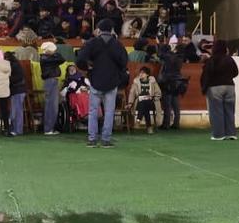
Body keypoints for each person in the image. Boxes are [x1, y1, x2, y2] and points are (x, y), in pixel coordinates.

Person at [75, 18, 128, 148]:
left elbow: (80, 59)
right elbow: (124, 62)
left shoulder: (92, 43)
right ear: (111, 30)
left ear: (99, 29)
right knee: (109, 111)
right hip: (111, 81)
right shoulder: (117, 44)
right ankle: (106, 140)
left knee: (93, 111)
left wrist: (88, 67)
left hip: (96, 80)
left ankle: (92, 139)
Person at [201, 40, 238, 140]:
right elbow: (236, 72)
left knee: (216, 111)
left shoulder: (212, 59)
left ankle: (218, 134)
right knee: (229, 110)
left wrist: (204, 88)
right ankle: (231, 133)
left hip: (215, 87)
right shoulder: (230, 59)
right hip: (230, 86)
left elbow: (207, 74)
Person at [157, 44, 184, 130]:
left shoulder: (166, 57)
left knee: (167, 104)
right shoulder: (177, 57)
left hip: (168, 82)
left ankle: (166, 124)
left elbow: (159, 55)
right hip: (177, 82)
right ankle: (176, 123)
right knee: (175, 104)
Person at [40, 41, 63, 135]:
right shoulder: (46, 58)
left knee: (52, 106)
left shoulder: (47, 58)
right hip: (50, 81)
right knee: (51, 106)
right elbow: (62, 59)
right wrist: (54, 54)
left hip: (51, 81)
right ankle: (48, 128)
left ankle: (50, 128)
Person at [128, 66, 158, 134]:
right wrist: (130, 103)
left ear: (147, 74)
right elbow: (132, 93)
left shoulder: (152, 82)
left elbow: (158, 93)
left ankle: (138, 120)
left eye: (143, 73)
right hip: (139, 103)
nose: (140, 74)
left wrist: (153, 97)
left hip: (151, 102)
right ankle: (149, 127)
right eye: (140, 73)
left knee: (145, 103)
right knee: (144, 103)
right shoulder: (136, 82)